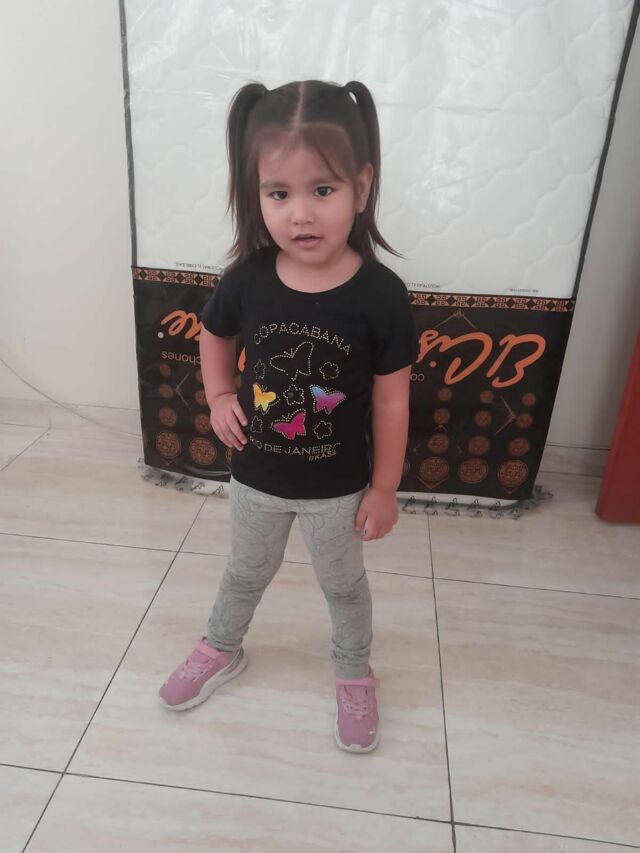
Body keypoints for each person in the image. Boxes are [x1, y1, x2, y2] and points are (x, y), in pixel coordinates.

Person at [159, 79, 418, 753]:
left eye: (322, 190)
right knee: (244, 572)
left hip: (338, 489)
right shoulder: (247, 279)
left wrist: (385, 487)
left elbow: (392, 398)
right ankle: (222, 647)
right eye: (279, 194)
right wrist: (220, 395)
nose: (300, 214)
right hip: (256, 478)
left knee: (343, 586)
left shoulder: (382, 296)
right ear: (257, 195)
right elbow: (213, 334)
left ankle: (354, 671)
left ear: (362, 186)